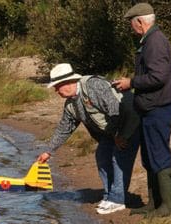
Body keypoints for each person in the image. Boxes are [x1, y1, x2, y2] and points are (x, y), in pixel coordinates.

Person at [37, 63, 139, 215]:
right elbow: (64, 129)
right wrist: (48, 151)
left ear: (69, 82)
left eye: (57, 86)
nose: (56, 91)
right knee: (102, 156)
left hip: (129, 121)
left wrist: (119, 135)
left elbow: (116, 109)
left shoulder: (93, 86)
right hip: (111, 131)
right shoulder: (71, 104)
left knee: (119, 158)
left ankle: (118, 200)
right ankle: (109, 195)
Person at [113, 3, 171, 217]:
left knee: (159, 155)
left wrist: (130, 82)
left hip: (158, 109)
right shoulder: (151, 40)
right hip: (151, 108)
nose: (132, 29)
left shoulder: (155, 42)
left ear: (140, 22)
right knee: (150, 157)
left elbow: (158, 76)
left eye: (132, 25)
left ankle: (168, 207)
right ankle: (154, 204)